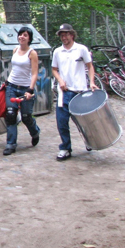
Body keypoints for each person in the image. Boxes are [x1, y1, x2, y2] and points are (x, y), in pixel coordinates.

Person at [51, 23, 97, 161]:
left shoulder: (81, 49)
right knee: (62, 121)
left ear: (72, 34)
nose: (63, 37)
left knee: (84, 121)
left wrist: (92, 82)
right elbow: (54, 69)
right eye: (61, 35)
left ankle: (89, 140)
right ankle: (65, 148)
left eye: (66, 34)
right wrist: (60, 80)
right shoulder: (57, 52)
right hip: (65, 92)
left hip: (80, 92)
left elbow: (90, 66)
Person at [3, 26, 40, 156]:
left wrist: (30, 90)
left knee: (26, 116)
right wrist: (7, 82)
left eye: (25, 35)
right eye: (20, 35)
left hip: (25, 88)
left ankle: (35, 132)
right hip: (12, 86)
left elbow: (35, 73)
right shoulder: (15, 50)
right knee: (11, 114)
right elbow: (14, 69)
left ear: (29, 38)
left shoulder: (32, 53)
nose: (21, 37)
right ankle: (11, 144)